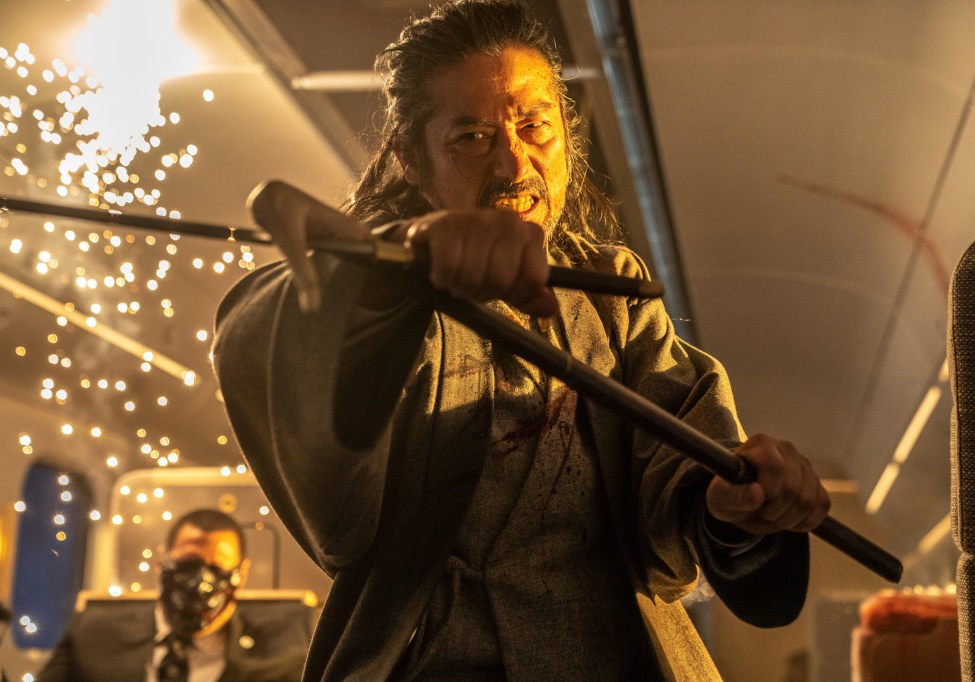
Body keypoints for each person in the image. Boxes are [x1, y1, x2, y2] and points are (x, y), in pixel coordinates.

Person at [212, 1, 831, 680]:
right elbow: (263, 335)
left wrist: (731, 502)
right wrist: (390, 268)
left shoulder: (612, 293)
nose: (513, 164)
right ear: (411, 159)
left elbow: (682, 471)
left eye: (535, 126)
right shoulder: (384, 287)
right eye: (472, 137)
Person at [0, 508, 311, 682]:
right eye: (188, 563)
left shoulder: (288, 651)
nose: (201, 583)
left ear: (242, 573)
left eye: (218, 568)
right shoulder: (94, 633)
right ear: (160, 563)